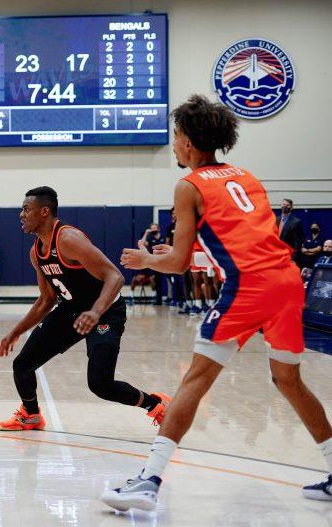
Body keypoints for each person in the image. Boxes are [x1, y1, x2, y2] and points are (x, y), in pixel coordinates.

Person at [101, 95, 332, 511]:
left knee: (195, 379)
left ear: (188, 141)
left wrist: (147, 259)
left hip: (248, 286)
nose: (173, 144)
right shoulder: (247, 176)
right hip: (288, 282)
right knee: (288, 381)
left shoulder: (188, 186)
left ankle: (148, 480)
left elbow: (179, 261)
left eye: (175, 136)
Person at [0, 187, 169, 432]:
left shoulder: (68, 239)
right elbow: (46, 300)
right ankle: (31, 415)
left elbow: (115, 276)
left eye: (26, 209)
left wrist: (96, 312)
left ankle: (156, 403)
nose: (21, 215)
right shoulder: (37, 252)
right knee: (22, 364)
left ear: (45, 211)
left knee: (100, 384)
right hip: (72, 310)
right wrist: (16, 331)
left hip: (106, 310)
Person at [140, 224, 163, 305]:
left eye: (154, 228)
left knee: (167, 281)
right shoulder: (150, 238)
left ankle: (171, 299)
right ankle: (157, 299)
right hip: (154, 262)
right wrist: (146, 234)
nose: (153, 230)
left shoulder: (163, 237)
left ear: (158, 229)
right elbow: (142, 244)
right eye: (151, 228)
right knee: (155, 280)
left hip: (164, 261)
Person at [278, 198, 304, 266]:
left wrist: (293, 258)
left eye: (288, 205)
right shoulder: (275, 220)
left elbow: (297, 243)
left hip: (288, 256)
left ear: (292, 208)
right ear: (281, 206)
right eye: (283, 204)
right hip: (276, 255)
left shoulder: (296, 222)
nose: (285, 206)